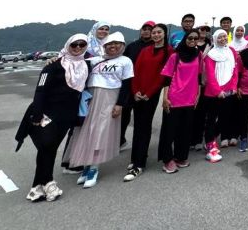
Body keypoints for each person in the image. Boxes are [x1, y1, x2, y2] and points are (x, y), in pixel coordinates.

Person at [17, 34, 89, 202]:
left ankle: (38, 187)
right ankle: (47, 182)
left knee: (51, 148)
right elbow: (40, 90)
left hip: (67, 116)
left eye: (82, 45)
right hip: (46, 113)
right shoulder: (53, 65)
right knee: (47, 145)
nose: (78, 48)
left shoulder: (85, 66)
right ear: (68, 45)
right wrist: (37, 113)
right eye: (74, 45)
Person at [69, 32, 134, 187]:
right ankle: (86, 165)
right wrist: (53, 60)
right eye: (109, 44)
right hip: (90, 98)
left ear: (122, 46)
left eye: (117, 43)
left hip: (110, 99)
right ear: (104, 46)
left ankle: (94, 168)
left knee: (101, 132)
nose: (113, 46)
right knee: (86, 131)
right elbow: (71, 60)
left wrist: (120, 104)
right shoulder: (95, 60)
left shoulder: (125, 61)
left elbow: (127, 85)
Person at [125, 23, 173, 181]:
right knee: (138, 126)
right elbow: (136, 71)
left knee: (144, 127)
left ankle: (139, 164)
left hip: (151, 95)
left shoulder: (169, 51)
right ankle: (134, 159)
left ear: (164, 34)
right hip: (138, 93)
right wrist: (135, 91)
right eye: (154, 32)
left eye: (159, 32)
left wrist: (148, 93)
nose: (156, 35)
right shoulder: (145, 50)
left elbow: (163, 76)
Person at [158, 30, 203, 174]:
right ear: (185, 39)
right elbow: (166, 78)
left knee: (185, 130)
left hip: (190, 99)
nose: (193, 40)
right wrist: (165, 97)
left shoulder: (199, 55)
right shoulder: (175, 56)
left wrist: (198, 94)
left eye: (196, 38)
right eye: (190, 38)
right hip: (174, 98)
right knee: (169, 131)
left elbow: (199, 76)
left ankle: (180, 157)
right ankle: (167, 160)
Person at [202, 29, 241, 162]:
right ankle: (210, 143)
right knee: (211, 119)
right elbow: (211, 75)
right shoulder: (211, 54)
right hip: (214, 93)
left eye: (224, 36)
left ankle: (211, 137)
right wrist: (218, 91)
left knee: (225, 117)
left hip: (229, 91)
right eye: (220, 37)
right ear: (214, 39)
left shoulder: (231, 51)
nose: (223, 39)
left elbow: (235, 70)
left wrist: (234, 86)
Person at [119, 21, 154, 151]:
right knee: (124, 115)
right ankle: (120, 140)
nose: (146, 31)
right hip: (129, 85)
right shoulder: (132, 46)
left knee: (142, 120)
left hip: (146, 87)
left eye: (149, 29)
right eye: (144, 29)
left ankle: (140, 147)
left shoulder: (156, 47)